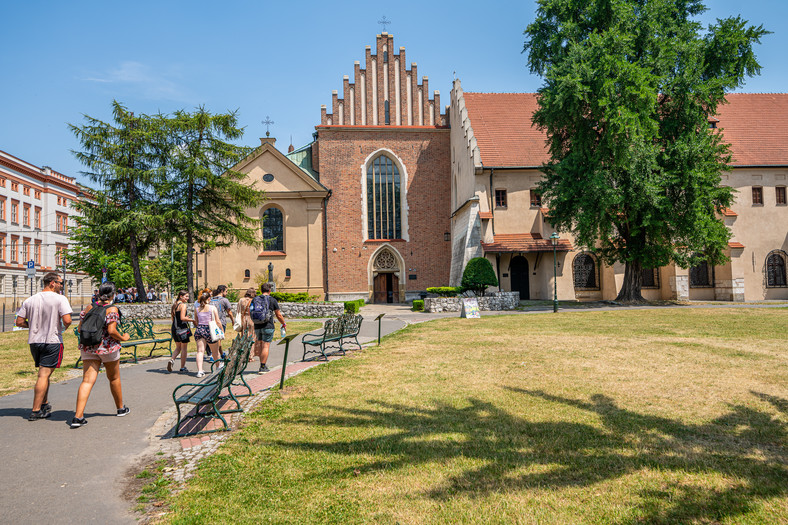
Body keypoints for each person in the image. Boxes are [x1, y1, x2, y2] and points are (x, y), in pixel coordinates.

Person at [71, 281, 130, 428]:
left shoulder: (90, 307)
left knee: (87, 381)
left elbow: (79, 328)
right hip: (107, 348)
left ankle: (78, 416)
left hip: (88, 347)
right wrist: (123, 337)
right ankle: (120, 408)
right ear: (113, 294)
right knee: (114, 377)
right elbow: (112, 331)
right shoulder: (112, 309)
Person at [15, 272, 72, 421]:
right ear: (52, 283)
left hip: (35, 341)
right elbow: (67, 320)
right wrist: (63, 326)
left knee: (44, 373)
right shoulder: (60, 299)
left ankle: (44, 403)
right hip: (52, 340)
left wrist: (33, 324)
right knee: (44, 374)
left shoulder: (30, 300)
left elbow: (19, 322)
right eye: (60, 283)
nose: (62, 285)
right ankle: (36, 410)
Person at [251, 283, 286, 374]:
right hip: (268, 325)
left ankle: (263, 364)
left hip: (257, 325)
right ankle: (262, 367)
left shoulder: (255, 299)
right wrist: (283, 323)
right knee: (266, 346)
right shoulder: (272, 300)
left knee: (261, 345)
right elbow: (278, 314)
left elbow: (250, 311)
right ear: (270, 290)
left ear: (261, 290)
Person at [193, 291, 222, 378]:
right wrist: (221, 330)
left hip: (200, 329)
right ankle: (218, 367)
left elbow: (196, 321)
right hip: (210, 330)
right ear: (209, 299)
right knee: (215, 351)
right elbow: (217, 321)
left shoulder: (197, 309)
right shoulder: (212, 308)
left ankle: (200, 371)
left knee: (200, 351)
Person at [168, 290, 194, 373]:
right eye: (186, 296)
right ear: (181, 296)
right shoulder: (183, 305)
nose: (187, 298)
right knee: (184, 348)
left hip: (174, 328)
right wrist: (192, 320)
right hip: (182, 328)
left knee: (178, 347)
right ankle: (182, 367)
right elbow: (182, 318)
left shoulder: (174, 305)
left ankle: (172, 360)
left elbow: (173, 318)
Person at [210, 285, 233, 359]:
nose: (226, 293)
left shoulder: (211, 300)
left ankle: (220, 353)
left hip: (211, 322)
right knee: (218, 338)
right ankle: (214, 355)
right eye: (226, 291)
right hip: (221, 322)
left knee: (215, 338)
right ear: (222, 291)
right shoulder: (224, 300)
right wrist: (233, 320)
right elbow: (229, 312)